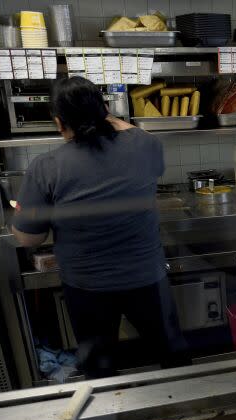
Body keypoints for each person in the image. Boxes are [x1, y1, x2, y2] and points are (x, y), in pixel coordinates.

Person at [12, 76, 185, 377]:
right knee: (171, 353)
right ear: (105, 109)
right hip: (147, 278)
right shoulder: (146, 145)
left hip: (87, 286)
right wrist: (101, 113)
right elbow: (127, 131)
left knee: (99, 365)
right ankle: (188, 406)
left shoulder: (46, 166)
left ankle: (107, 417)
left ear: (58, 122)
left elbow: (28, 239)